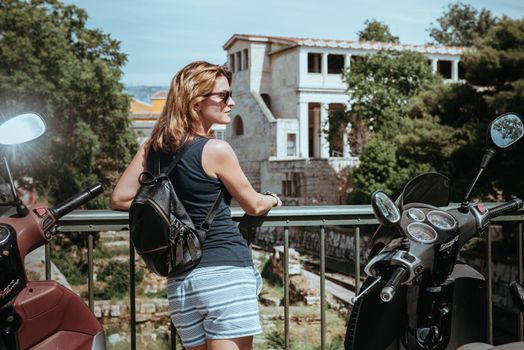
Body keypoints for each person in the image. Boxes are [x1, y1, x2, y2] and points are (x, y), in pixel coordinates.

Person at [111, 61, 282, 350]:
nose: (232, 102)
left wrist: (171, 210)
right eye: (223, 96)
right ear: (195, 100)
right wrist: (274, 199)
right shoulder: (215, 150)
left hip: (181, 281)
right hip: (224, 272)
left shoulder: (152, 147)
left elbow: (120, 198)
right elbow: (253, 205)